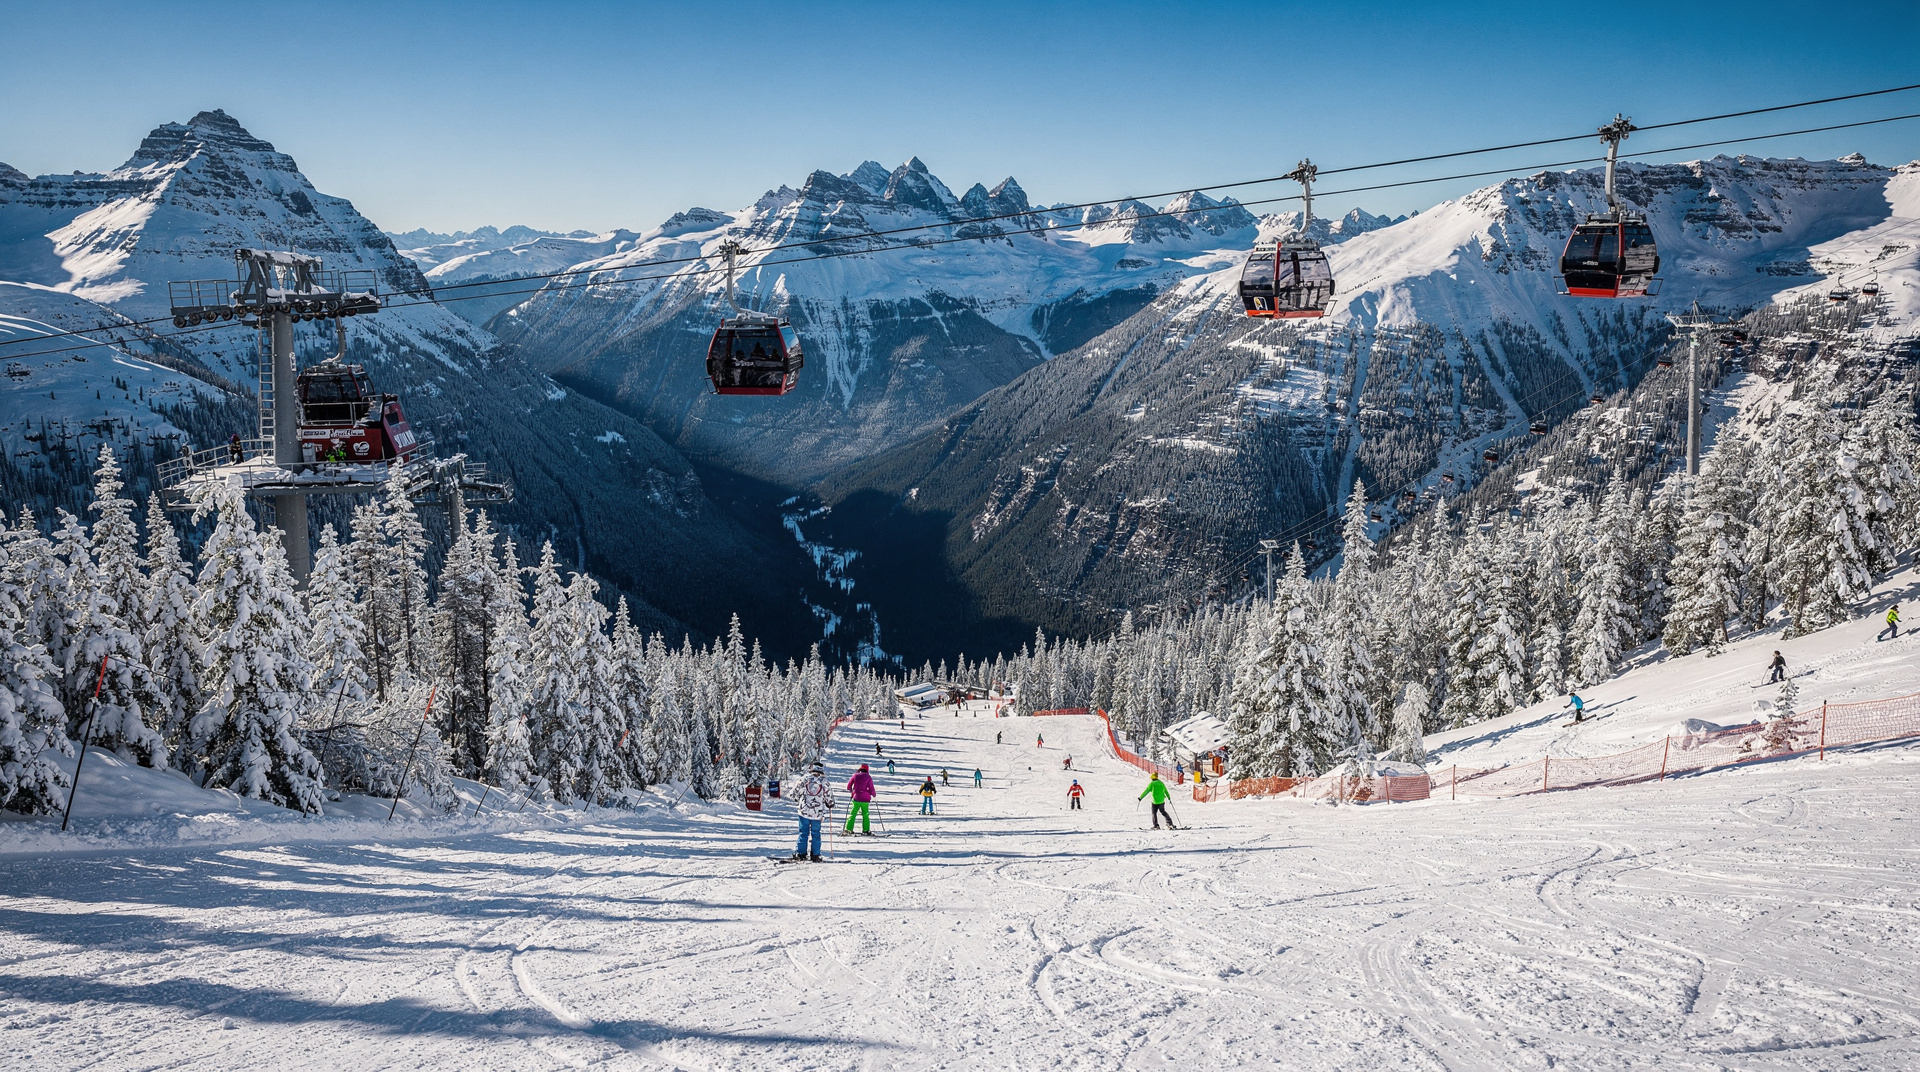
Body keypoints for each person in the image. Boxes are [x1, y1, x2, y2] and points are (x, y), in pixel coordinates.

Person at [792, 763, 833, 862]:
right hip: (817, 812)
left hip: (804, 811)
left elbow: (793, 793)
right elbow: (829, 797)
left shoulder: (804, 779)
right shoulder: (824, 781)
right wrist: (830, 804)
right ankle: (815, 854)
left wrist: (798, 799)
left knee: (803, 833)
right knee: (816, 833)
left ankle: (801, 853)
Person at [845, 763, 876, 835]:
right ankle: (866, 830)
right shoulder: (868, 777)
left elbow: (848, 786)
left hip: (856, 798)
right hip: (865, 799)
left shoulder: (855, 775)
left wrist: (852, 791)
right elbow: (871, 788)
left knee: (852, 814)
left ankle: (849, 829)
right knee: (865, 814)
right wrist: (873, 794)